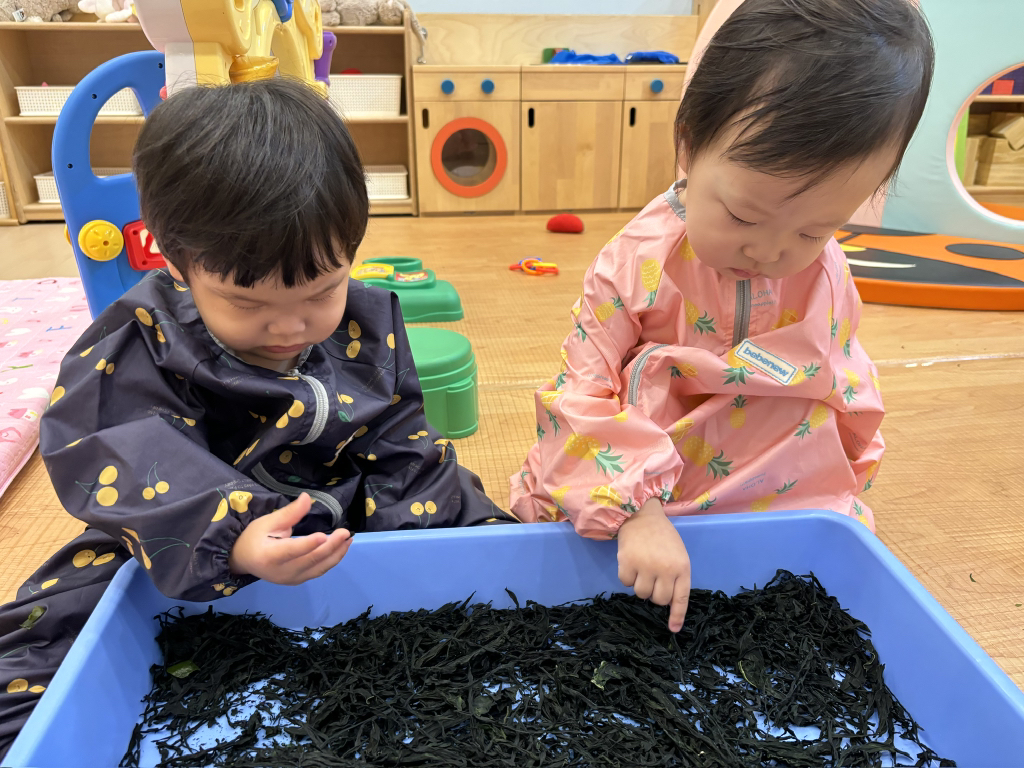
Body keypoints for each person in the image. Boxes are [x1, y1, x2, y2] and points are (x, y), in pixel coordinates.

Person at [0, 77, 516, 758]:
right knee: (41, 650)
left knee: (482, 559)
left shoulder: (367, 324)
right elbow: (115, 451)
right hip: (177, 536)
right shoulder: (139, 342)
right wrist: (232, 534)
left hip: (337, 523)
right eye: (247, 303)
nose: (291, 327)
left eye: (322, 291)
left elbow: (401, 442)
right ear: (177, 262)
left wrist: (468, 540)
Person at [511, 0, 934, 634]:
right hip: (653, 482)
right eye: (742, 216)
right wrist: (634, 511)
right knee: (558, 531)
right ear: (688, 144)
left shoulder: (826, 274)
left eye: (815, 230)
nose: (770, 252)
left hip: (775, 487)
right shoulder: (635, 262)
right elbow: (580, 390)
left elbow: (845, 385)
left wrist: (846, 482)